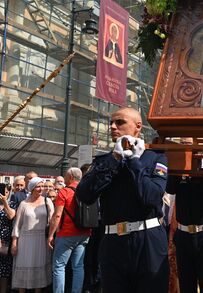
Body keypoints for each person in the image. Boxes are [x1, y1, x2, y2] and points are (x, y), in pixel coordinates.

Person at [76, 107, 169, 292]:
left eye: (119, 122)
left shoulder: (155, 158)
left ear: (138, 126)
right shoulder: (104, 161)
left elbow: (151, 197)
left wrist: (135, 161)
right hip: (113, 242)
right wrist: (114, 159)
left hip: (147, 240)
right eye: (111, 122)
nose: (112, 126)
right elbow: (84, 195)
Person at [166, 160, 203, 293]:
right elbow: (170, 189)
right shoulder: (179, 168)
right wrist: (179, 169)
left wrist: (199, 173)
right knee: (186, 284)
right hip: (184, 235)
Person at [48, 167, 92, 293]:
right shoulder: (87, 191)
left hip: (67, 233)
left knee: (59, 267)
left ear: (71, 177)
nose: (65, 178)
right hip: (84, 233)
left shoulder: (64, 192)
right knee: (78, 266)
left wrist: (51, 235)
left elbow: (57, 215)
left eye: (66, 176)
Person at [11, 177, 54, 292]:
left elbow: (53, 220)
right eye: (38, 186)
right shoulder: (23, 204)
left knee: (39, 270)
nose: (41, 189)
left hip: (41, 240)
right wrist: (14, 243)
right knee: (24, 267)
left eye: (42, 186)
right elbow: (17, 225)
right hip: (25, 241)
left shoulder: (47, 201)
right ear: (32, 188)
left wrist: (51, 236)